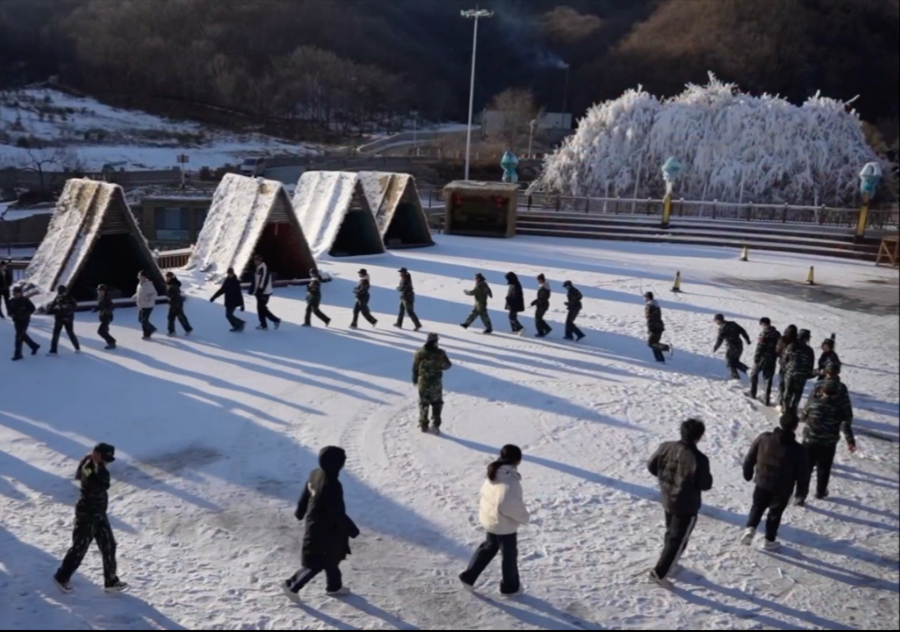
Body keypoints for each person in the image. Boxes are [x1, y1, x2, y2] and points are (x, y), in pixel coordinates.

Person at [283, 446, 359, 600]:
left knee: (332, 559)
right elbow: (336, 513)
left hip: (318, 524)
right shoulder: (332, 486)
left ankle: (334, 587)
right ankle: (292, 585)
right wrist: (352, 529)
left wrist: (300, 510)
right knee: (317, 561)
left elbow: (307, 491)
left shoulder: (315, 473)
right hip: (324, 530)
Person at [53, 443, 127, 593]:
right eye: (104, 458)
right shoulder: (91, 467)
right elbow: (98, 483)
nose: (106, 461)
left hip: (99, 513)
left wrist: (98, 465)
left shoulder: (94, 466)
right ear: (96, 454)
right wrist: (98, 466)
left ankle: (111, 581)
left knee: (109, 545)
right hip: (87, 514)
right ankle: (62, 576)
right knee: (80, 547)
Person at [647, 419, 713, 585]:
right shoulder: (699, 459)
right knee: (678, 539)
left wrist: (665, 480)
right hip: (686, 505)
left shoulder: (665, 446)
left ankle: (669, 562)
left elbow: (651, 466)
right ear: (699, 437)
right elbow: (705, 484)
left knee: (671, 533)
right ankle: (660, 573)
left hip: (667, 497)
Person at [459, 445, 530, 597]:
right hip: (503, 524)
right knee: (509, 554)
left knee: (490, 547)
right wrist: (524, 518)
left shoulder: (495, 472)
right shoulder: (510, 481)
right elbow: (509, 506)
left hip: (490, 518)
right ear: (517, 460)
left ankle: (468, 577)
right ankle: (510, 588)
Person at [741, 411, 809, 550]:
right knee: (775, 513)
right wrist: (801, 493)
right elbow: (803, 474)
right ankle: (769, 540)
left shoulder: (764, 438)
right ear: (795, 427)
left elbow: (750, 457)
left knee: (757, 506)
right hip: (783, 487)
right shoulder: (798, 449)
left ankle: (750, 528)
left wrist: (747, 473)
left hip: (762, 481)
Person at [795, 366, 856, 505]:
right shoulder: (839, 407)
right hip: (829, 442)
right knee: (824, 467)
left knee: (806, 468)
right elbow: (846, 420)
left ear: (822, 390)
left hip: (810, 440)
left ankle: (800, 495)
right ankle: (821, 491)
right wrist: (850, 441)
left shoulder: (814, 403)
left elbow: (803, 417)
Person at [412, 332, 452, 433]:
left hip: (423, 382)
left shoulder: (419, 352)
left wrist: (414, 379)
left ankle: (423, 424)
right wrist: (439, 366)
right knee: (437, 403)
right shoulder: (440, 353)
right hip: (435, 382)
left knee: (423, 403)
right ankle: (435, 424)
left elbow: (415, 367)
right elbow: (448, 365)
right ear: (436, 341)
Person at [747, 317, 781, 406]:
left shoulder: (763, 333)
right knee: (768, 379)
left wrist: (756, 358)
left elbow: (760, 346)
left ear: (762, 324)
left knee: (753, 374)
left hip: (762, 358)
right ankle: (766, 400)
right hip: (772, 359)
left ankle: (753, 393)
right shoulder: (777, 334)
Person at [782, 329, 816, 413]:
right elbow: (810, 366)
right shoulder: (809, 350)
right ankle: (793, 410)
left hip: (790, 373)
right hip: (801, 375)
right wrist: (808, 375)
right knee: (797, 393)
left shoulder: (791, 346)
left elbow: (784, 360)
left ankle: (785, 409)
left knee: (787, 392)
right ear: (807, 338)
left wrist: (786, 369)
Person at [713, 314, 751, 379]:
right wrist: (747, 340)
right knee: (735, 362)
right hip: (739, 345)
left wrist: (715, 348)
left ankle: (736, 378)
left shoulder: (722, 328)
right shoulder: (733, 324)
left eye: (715, 321)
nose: (716, 322)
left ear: (718, 320)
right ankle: (749, 371)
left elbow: (720, 339)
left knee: (729, 363)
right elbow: (742, 331)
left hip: (731, 346)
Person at [249, 254, 281, 330]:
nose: (256, 261)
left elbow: (264, 281)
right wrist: (252, 290)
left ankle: (275, 320)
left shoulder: (264, 268)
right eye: (255, 260)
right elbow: (256, 280)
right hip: (259, 292)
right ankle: (264, 325)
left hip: (264, 292)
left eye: (257, 260)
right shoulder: (258, 268)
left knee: (262, 308)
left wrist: (260, 291)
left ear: (260, 261)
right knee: (261, 308)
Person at [47, 285, 80, 355]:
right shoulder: (58, 297)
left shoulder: (70, 298)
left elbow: (75, 306)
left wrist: (67, 308)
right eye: (60, 293)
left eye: (63, 292)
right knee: (55, 334)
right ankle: (53, 350)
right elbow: (53, 304)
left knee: (70, 333)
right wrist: (51, 308)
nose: (62, 294)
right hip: (59, 318)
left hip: (68, 318)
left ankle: (77, 347)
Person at [209, 267, 246, 332]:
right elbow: (222, 290)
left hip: (234, 302)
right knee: (228, 316)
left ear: (233, 273)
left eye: (231, 273)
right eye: (229, 273)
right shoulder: (227, 281)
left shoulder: (236, 282)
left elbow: (239, 294)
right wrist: (214, 297)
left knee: (229, 315)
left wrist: (242, 305)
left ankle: (240, 323)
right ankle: (237, 326)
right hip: (228, 301)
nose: (230, 274)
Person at [9, 286, 40, 360]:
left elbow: (32, 308)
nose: (15, 294)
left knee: (19, 336)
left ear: (20, 293)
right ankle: (34, 346)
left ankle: (18, 354)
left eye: (16, 293)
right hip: (17, 320)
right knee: (22, 335)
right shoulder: (12, 301)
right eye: (14, 293)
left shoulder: (25, 300)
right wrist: (12, 315)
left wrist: (26, 314)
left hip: (24, 320)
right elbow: (9, 311)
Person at [776, 325, 798, 408]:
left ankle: (780, 403)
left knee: (781, 385)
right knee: (789, 388)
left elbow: (777, 351)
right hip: (792, 368)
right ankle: (788, 405)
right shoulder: (797, 342)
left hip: (783, 366)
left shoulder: (782, 340)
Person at [644, 292, 671, 363]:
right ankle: (660, 360)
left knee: (650, 343)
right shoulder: (656, 305)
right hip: (659, 326)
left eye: (645, 297)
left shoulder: (650, 306)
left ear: (647, 297)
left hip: (654, 327)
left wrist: (650, 328)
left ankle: (665, 347)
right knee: (655, 343)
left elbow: (650, 318)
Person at [164, 271, 193, 337]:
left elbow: (175, 294)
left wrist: (174, 302)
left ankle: (174, 331)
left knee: (179, 317)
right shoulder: (169, 284)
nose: (167, 278)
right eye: (166, 277)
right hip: (173, 303)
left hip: (176, 303)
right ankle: (173, 331)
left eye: (168, 277)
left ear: (171, 277)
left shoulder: (174, 284)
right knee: (172, 317)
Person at [134, 270, 158, 340]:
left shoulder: (149, 285)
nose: (139, 277)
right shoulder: (139, 284)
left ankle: (148, 332)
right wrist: (135, 295)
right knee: (140, 320)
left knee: (144, 320)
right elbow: (140, 293)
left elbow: (154, 293)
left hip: (148, 305)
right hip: (141, 305)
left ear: (145, 277)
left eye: (141, 276)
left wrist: (149, 298)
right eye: (139, 276)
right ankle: (149, 331)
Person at [94, 285, 117, 350]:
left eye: (101, 290)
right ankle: (111, 343)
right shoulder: (100, 297)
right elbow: (100, 306)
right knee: (105, 330)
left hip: (107, 316)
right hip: (103, 316)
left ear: (104, 291)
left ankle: (112, 341)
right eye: (98, 290)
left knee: (100, 331)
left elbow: (111, 307)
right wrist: (96, 309)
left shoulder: (107, 298)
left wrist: (107, 310)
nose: (99, 292)